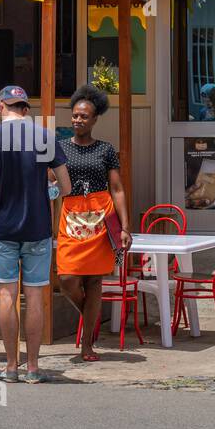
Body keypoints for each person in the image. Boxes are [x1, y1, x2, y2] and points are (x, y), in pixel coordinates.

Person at [0, 85, 71, 383]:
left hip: (3, 228)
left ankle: (10, 367)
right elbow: (65, 188)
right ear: (26, 109)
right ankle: (32, 368)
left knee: (6, 295)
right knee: (34, 296)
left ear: (1, 107)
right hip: (38, 228)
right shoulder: (45, 136)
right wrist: (49, 189)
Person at [57, 84, 132, 361]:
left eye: (84, 116)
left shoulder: (106, 149)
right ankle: (89, 313)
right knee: (66, 280)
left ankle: (87, 342)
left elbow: (118, 188)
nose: (78, 120)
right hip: (71, 215)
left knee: (94, 282)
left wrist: (125, 227)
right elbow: (50, 182)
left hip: (101, 216)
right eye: (75, 115)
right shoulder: (60, 148)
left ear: (95, 119)